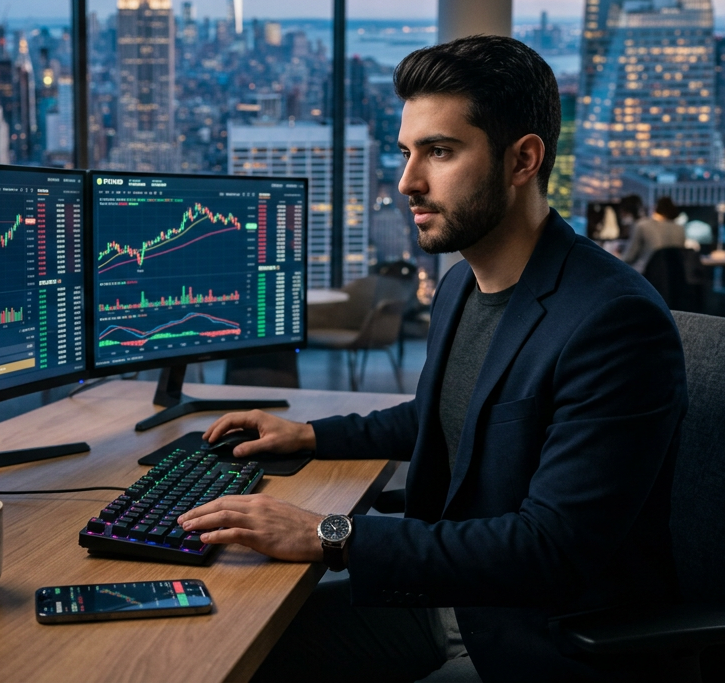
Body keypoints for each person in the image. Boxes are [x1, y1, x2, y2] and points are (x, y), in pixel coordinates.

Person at [178, 36, 687, 682]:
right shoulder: (462, 285)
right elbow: (441, 414)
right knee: (215, 639)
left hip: (533, 643)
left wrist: (328, 533)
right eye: (406, 152)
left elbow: (549, 550)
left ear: (523, 159)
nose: (407, 182)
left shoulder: (612, 321)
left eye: (440, 152)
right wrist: (307, 435)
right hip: (446, 602)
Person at [622, 195, 686, 273]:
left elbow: (629, 256)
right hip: (674, 275)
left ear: (655, 208)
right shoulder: (680, 228)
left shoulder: (642, 225)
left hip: (645, 274)